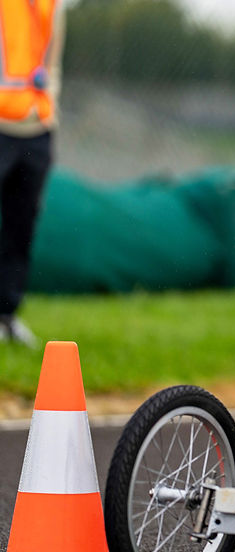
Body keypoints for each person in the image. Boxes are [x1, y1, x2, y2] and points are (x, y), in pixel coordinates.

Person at [0, 0, 64, 347]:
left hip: (36, 125)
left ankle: (7, 315)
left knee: (21, 225)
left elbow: (51, 58)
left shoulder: (51, 4)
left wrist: (49, 109)